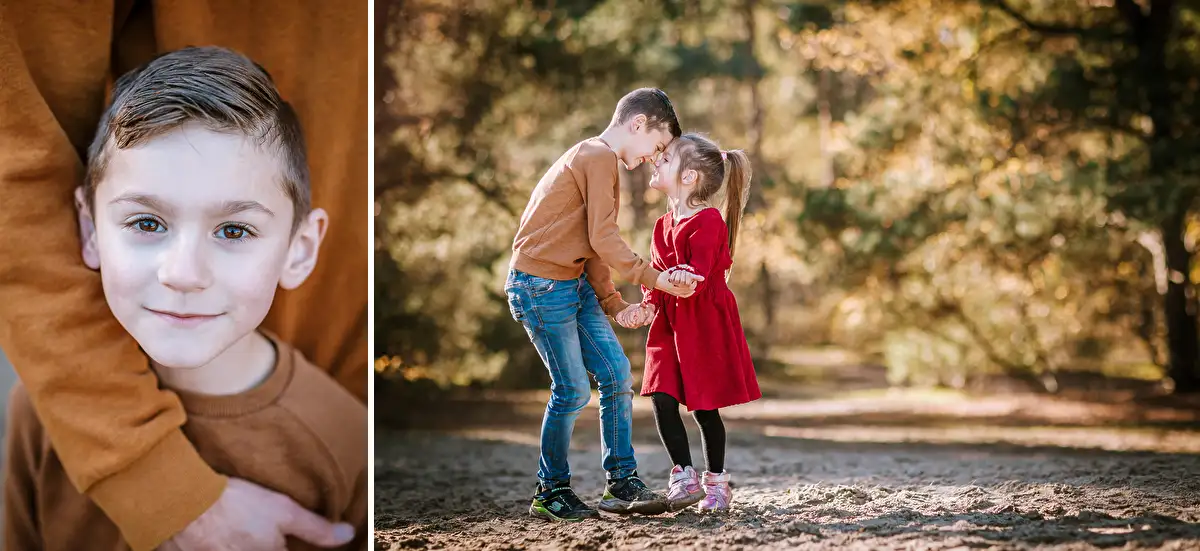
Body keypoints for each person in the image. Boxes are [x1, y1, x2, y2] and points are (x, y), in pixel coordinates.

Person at [0, 2, 366, 549]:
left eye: (234, 231)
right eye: (147, 222)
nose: (185, 274)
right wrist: (150, 478)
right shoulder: (41, 410)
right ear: (90, 227)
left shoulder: (346, 438)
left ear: (300, 248)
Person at [505, 88, 704, 521]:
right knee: (573, 389)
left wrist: (615, 305)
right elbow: (603, 239)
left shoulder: (603, 164)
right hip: (538, 284)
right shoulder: (596, 156)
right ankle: (551, 489)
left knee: (616, 374)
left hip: (571, 282)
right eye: (658, 144)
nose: (656, 156)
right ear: (639, 125)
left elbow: (592, 247)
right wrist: (654, 278)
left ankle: (621, 483)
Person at [617, 133, 762, 512]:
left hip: (704, 322)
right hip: (668, 322)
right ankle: (683, 476)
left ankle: (716, 482)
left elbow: (694, 273)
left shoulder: (709, 220)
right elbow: (657, 277)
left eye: (665, 159)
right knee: (661, 397)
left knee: (703, 408)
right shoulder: (661, 225)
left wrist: (685, 277)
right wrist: (646, 307)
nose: (655, 161)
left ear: (689, 177)